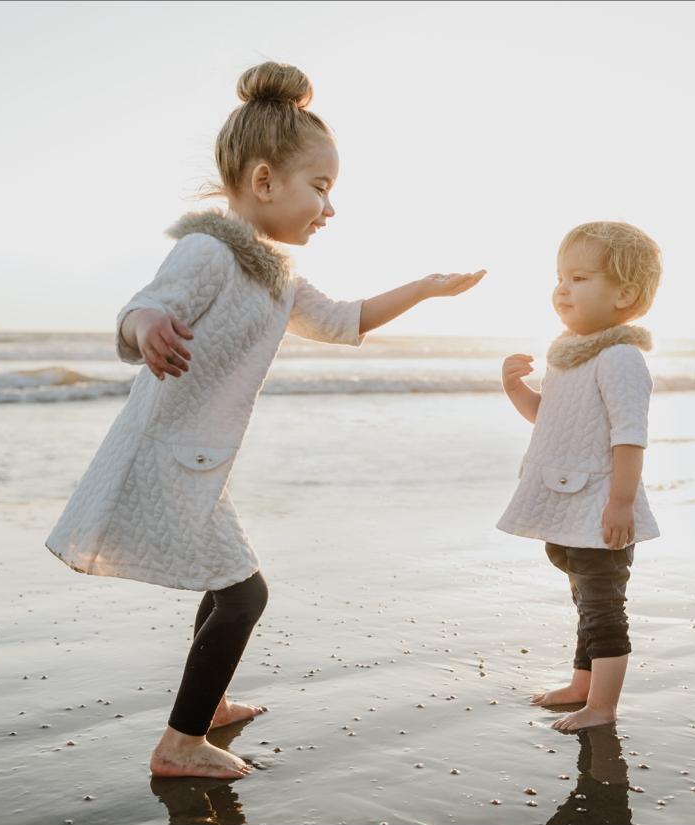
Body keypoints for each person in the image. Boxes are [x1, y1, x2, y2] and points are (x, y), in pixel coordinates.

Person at [46, 61, 484, 778]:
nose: (329, 209)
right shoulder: (209, 250)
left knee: (229, 588)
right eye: (321, 188)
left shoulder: (275, 275)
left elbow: (344, 321)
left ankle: (207, 706)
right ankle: (179, 746)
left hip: (198, 460)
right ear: (262, 182)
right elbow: (137, 310)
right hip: (165, 455)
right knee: (246, 595)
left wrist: (426, 289)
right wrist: (148, 324)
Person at [495, 219, 661, 731]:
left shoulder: (619, 358)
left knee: (603, 607)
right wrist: (515, 390)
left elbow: (628, 436)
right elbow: (555, 418)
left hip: (599, 506)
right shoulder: (568, 353)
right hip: (570, 503)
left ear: (624, 293)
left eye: (580, 277)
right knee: (585, 601)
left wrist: (620, 503)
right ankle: (582, 684)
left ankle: (602, 707)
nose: (562, 288)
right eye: (560, 276)